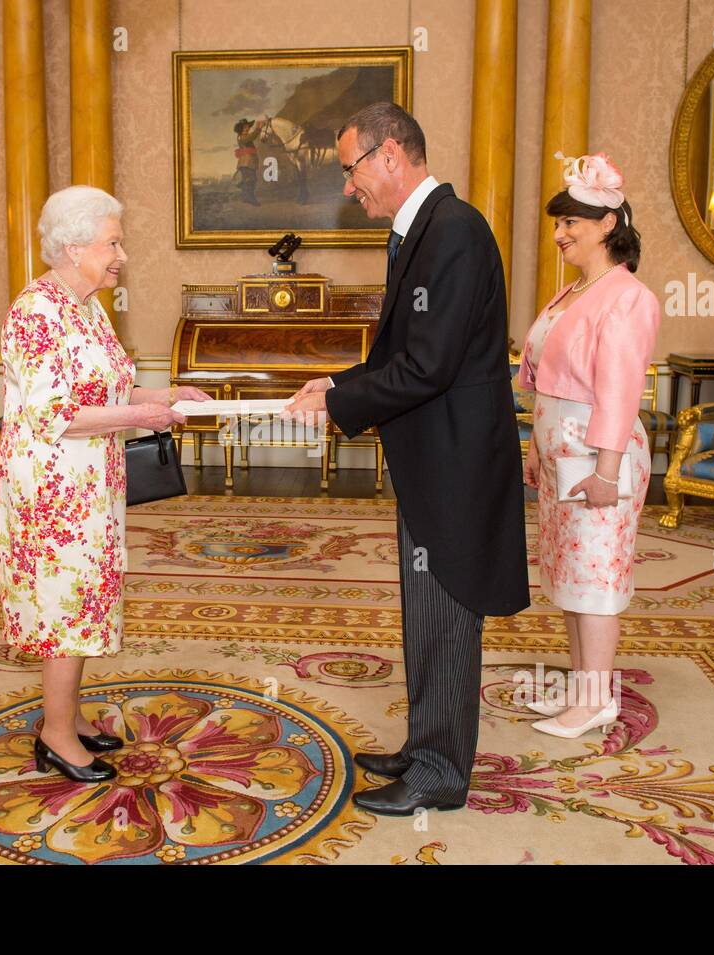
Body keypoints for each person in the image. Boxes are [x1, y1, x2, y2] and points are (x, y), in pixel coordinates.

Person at [285, 102, 529, 816]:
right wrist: (337, 383)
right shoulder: (421, 230)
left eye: (349, 168)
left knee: (447, 613)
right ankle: (427, 742)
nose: (346, 187)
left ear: (391, 154)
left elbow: (428, 367)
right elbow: (403, 355)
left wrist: (337, 407)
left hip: (455, 467)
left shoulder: (453, 232)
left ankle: (440, 773)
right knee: (425, 613)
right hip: (432, 460)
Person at [0, 185, 209, 782]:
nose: (122, 254)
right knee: (64, 604)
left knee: (86, 595)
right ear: (72, 246)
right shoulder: (35, 311)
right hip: (51, 490)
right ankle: (57, 736)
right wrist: (140, 419)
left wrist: (165, 396)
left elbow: (106, 390)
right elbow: (52, 414)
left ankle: (71, 715)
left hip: (90, 481)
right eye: (112, 242)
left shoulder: (87, 307)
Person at [517, 153, 660, 738]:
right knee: (572, 577)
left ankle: (598, 698)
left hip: (603, 457)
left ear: (608, 224)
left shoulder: (627, 297)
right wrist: (534, 448)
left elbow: (620, 393)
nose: (559, 234)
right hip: (562, 454)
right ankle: (583, 692)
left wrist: (606, 470)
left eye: (571, 222)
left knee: (597, 582)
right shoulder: (575, 291)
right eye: (557, 223)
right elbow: (546, 381)